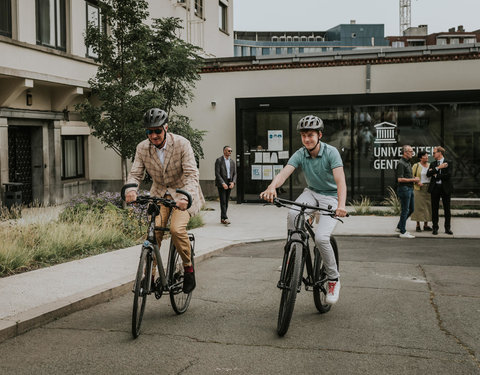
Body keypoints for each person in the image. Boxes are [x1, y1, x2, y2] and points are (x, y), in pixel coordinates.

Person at [260, 115, 347, 305]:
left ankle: (333, 279)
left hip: (330, 197)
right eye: (303, 135)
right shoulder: (301, 153)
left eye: (310, 135)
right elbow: (285, 172)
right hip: (312, 193)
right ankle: (292, 251)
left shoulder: (331, 152)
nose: (307, 139)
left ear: (319, 135)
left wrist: (341, 205)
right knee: (292, 213)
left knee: (322, 238)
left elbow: (340, 182)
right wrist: (272, 187)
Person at [125, 108, 205, 293]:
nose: (153, 135)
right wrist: (130, 189)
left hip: (182, 195)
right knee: (154, 233)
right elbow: (135, 173)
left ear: (166, 128)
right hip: (159, 194)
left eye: (157, 131)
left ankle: (188, 268)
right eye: (149, 132)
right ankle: (150, 277)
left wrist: (186, 196)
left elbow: (192, 174)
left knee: (177, 230)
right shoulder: (142, 148)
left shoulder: (182, 144)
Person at [427, 146, 453, 235]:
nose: (433, 154)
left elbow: (448, 175)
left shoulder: (449, 162)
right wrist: (439, 167)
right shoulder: (433, 163)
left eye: (434, 153)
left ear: (440, 153)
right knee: (434, 209)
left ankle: (447, 228)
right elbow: (428, 174)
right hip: (435, 188)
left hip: (445, 188)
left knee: (447, 209)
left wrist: (436, 175)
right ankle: (435, 228)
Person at [395, 145, 419, 239]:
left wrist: (413, 180)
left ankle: (399, 226)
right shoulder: (401, 163)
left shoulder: (408, 162)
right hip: (404, 189)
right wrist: (413, 180)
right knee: (405, 210)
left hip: (409, 188)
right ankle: (403, 231)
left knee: (411, 209)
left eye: (412, 151)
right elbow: (400, 179)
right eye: (410, 151)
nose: (412, 152)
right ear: (405, 153)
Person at [411, 150, 432, 232]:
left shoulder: (430, 165)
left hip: (429, 188)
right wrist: (417, 181)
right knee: (418, 207)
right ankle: (418, 225)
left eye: (427, 155)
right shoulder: (416, 166)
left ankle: (426, 225)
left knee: (428, 206)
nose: (427, 157)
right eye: (425, 156)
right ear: (420, 158)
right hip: (418, 188)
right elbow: (411, 176)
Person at [215, 145, 237, 225]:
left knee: (226, 201)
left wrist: (233, 182)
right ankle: (225, 217)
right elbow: (217, 173)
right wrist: (223, 183)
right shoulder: (219, 160)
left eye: (231, 151)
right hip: (222, 183)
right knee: (223, 201)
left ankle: (222, 218)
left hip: (229, 182)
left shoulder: (232, 162)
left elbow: (235, 174)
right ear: (224, 151)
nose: (230, 152)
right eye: (228, 151)